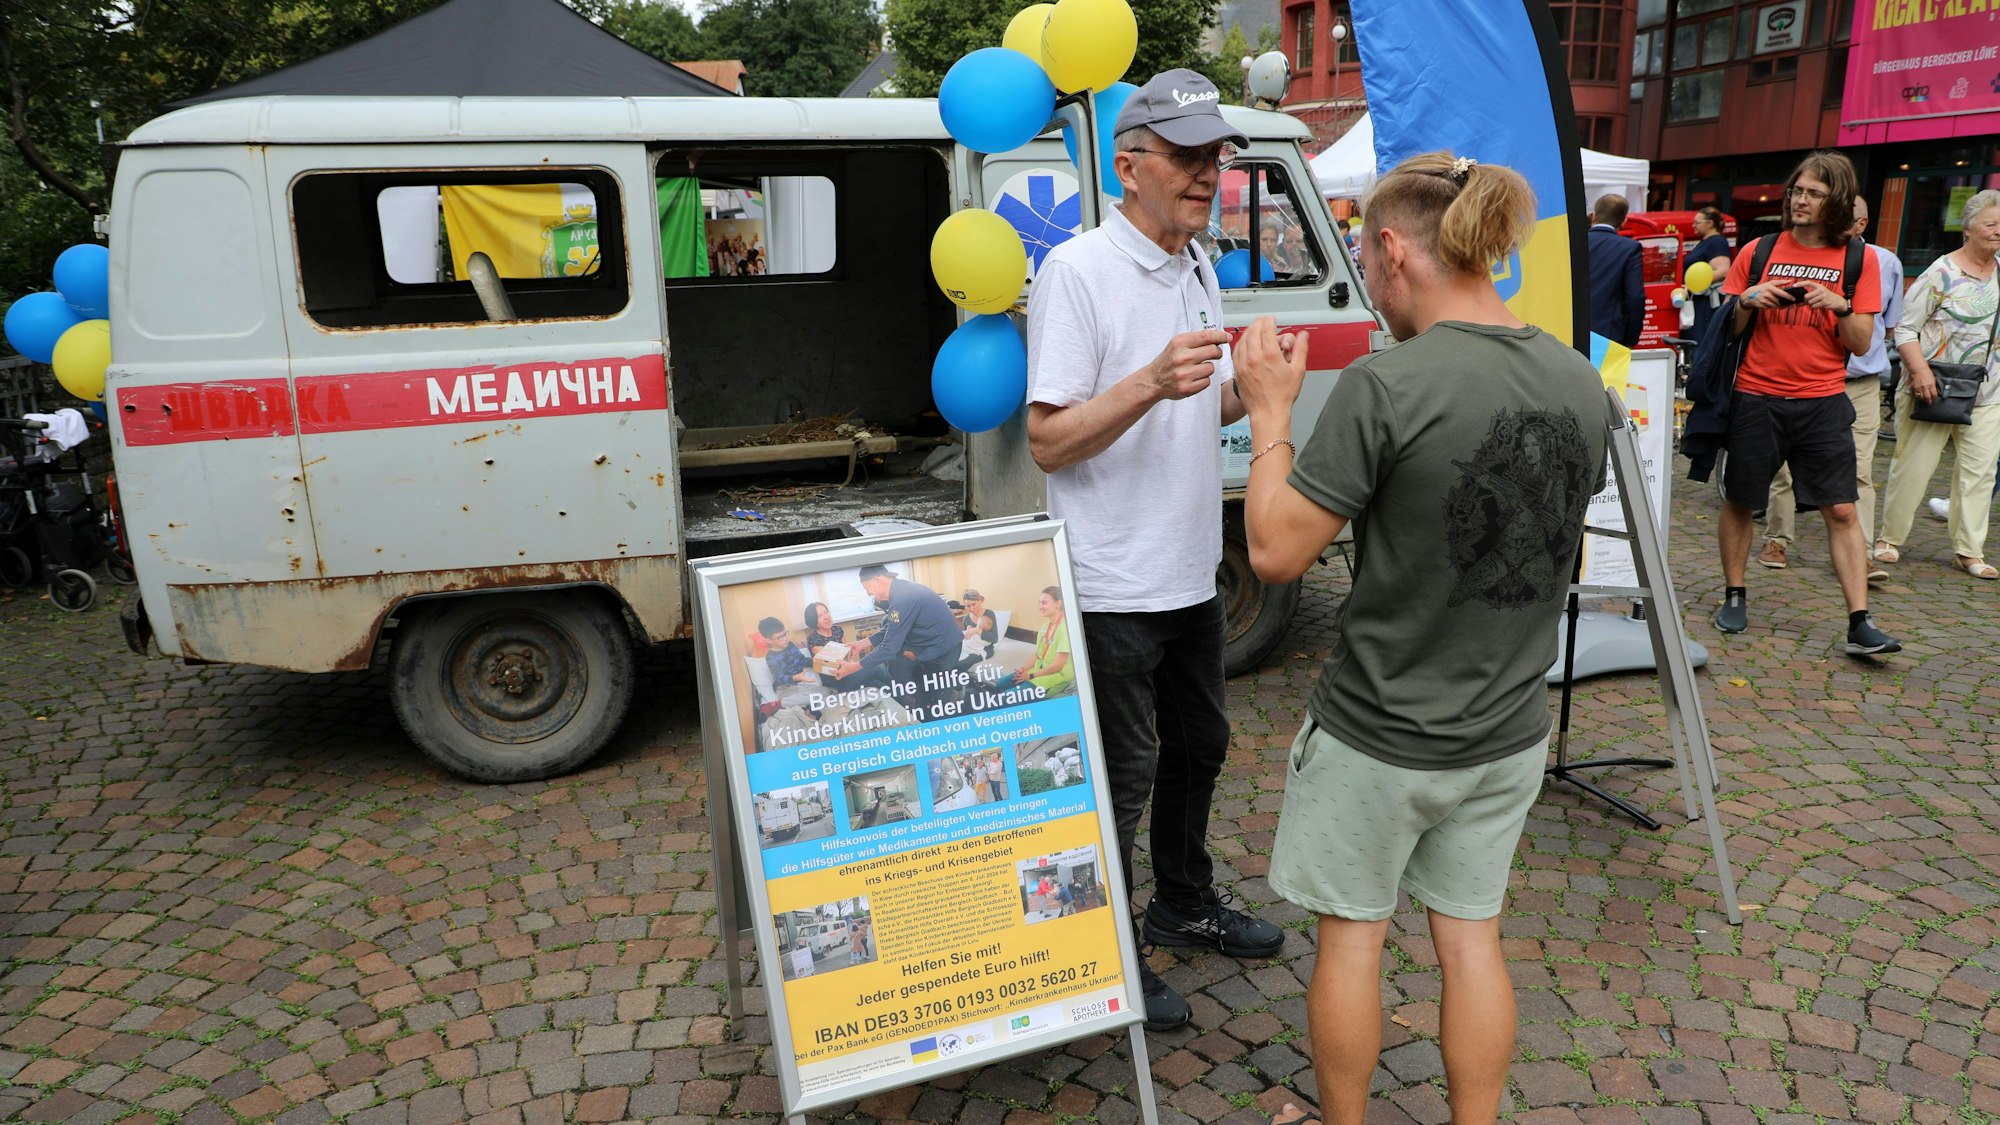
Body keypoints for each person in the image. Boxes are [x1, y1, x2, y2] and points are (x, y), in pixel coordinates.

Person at [1233, 150, 1608, 1125]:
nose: (1367, 278)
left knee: (1353, 941)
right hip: (1505, 732)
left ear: (1394, 249)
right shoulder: (1577, 379)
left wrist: (1271, 410)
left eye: (1363, 258)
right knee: (1468, 940)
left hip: (1378, 733)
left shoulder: (1383, 385)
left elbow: (1273, 551)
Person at [1024, 67, 1288, 1032]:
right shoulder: (1078, 272)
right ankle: (1108, 952)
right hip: (1106, 581)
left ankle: (1182, 901)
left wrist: (1252, 388)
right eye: (1184, 156)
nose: (1205, 172)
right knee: (1122, 772)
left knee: (1204, 745)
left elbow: (1191, 406)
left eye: (1212, 156)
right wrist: (1147, 382)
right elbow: (1048, 438)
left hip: (1186, 570)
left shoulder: (1197, 265)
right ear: (1126, 168)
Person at [1712, 151, 1899, 656]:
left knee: (1841, 508)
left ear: (1835, 200)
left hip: (1822, 401)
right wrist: (1749, 300)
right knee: (1741, 498)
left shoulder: (1859, 259)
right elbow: (1727, 329)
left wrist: (1839, 305)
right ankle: (1735, 594)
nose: (1800, 200)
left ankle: (1860, 621)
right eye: (1797, 190)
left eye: (1814, 193)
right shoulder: (1760, 249)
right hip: (1756, 395)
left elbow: (1861, 343)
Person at [1759, 195, 1902, 582]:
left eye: (1850, 219)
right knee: (1784, 469)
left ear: (1862, 224)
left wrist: (1845, 310)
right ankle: (1777, 539)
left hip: (1859, 380)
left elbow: (1887, 324)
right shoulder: (1792, 253)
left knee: (1860, 469)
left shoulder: (1882, 262)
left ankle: (1864, 552)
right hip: (1805, 384)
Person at [1875, 189, 2000, 580]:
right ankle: (1890, 539)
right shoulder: (1941, 272)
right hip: (1933, 385)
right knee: (1915, 465)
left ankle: (1968, 550)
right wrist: (1920, 371)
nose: (1999, 232)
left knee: (1979, 472)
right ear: (1968, 229)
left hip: (1987, 389)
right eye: (1991, 224)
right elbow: (1905, 329)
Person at [829, 565, 965, 710]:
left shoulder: (902, 598)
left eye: (867, 588)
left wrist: (854, 667)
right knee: (926, 690)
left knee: (939, 699)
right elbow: (892, 628)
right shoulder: (899, 592)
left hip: (945, 648)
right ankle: (928, 703)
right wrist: (863, 643)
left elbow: (889, 647)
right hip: (931, 645)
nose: (868, 594)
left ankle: (947, 704)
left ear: (877, 580)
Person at [1586, 193, 1645, 348]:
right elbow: (1635, 297)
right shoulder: (1629, 248)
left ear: (1594, 216)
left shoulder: (1572, 242)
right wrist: (1631, 339)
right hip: (1609, 335)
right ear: (1624, 221)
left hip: (1569, 329)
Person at [1011, 586, 1075, 696]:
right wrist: (1023, 669)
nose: (1040, 606)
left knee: (1007, 697)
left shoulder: (1066, 628)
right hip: (1038, 669)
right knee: (1000, 685)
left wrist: (1031, 676)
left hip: (1055, 676)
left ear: (1058, 603)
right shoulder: (1046, 625)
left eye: (1044, 603)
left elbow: (1058, 665)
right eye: (1039, 603)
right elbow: (1037, 654)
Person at [1686, 206, 1733, 350]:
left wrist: (1694, 285)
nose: (1694, 226)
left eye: (1697, 222)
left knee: (1702, 341)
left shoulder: (1716, 241)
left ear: (1710, 223)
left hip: (1707, 302)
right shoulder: (1705, 241)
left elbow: (1723, 270)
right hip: (1699, 300)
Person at [757, 617, 822, 709]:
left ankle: (803, 705)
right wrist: (796, 677)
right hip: (785, 688)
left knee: (826, 692)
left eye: (785, 634)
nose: (785, 639)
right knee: (815, 697)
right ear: (769, 640)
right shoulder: (771, 657)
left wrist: (819, 661)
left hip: (800, 684)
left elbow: (802, 660)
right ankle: (777, 705)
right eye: (780, 637)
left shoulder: (790, 645)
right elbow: (780, 678)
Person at [957, 588, 999, 656]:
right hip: (969, 647)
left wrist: (977, 630)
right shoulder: (966, 618)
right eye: (968, 606)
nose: (971, 609)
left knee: (962, 664)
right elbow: (966, 639)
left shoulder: (989, 614)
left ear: (980, 601)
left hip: (985, 648)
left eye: (973, 604)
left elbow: (995, 639)